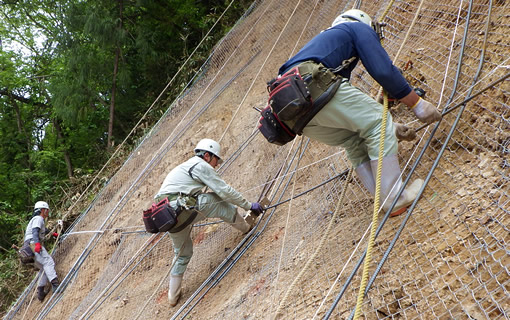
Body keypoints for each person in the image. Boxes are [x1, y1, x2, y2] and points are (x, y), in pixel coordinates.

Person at [277, 9, 442, 216]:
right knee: (378, 124)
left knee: (354, 139)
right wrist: (416, 103)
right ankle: (394, 199)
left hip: (291, 113)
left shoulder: (325, 47)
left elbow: (344, 109)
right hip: (311, 84)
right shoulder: (354, 28)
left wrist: (391, 128)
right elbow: (382, 70)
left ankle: (384, 202)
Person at [154, 138, 264, 306]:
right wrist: (249, 205)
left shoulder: (183, 168)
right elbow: (224, 191)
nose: (216, 165)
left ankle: (172, 296)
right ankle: (246, 226)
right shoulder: (200, 165)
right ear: (207, 156)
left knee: (182, 254)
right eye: (216, 160)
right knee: (220, 202)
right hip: (182, 207)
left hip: (167, 217)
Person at [23, 201, 60, 302]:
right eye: (47, 210)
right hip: (33, 245)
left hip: (27, 249)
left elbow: (43, 230)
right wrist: (37, 244)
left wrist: (53, 234)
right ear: (42, 210)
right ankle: (56, 285)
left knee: (43, 268)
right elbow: (35, 231)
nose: (48, 212)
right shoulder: (38, 218)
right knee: (48, 262)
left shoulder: (36, 220)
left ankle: (40, 292)